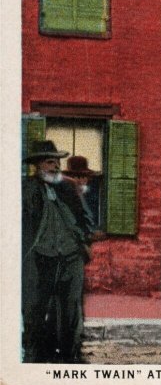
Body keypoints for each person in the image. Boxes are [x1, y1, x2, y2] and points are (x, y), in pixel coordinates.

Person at [22, 140, 94, 363]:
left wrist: (83, 243)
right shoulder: (26, 189)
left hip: (71, 257)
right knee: (35, 308)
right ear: (37, 165)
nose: (55, 167)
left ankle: (70, 358)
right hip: (39, 257)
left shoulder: (68, 186)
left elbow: (85, 219)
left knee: (71, 311)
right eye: (50, 162)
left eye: (57, 162)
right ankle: (35, 358)